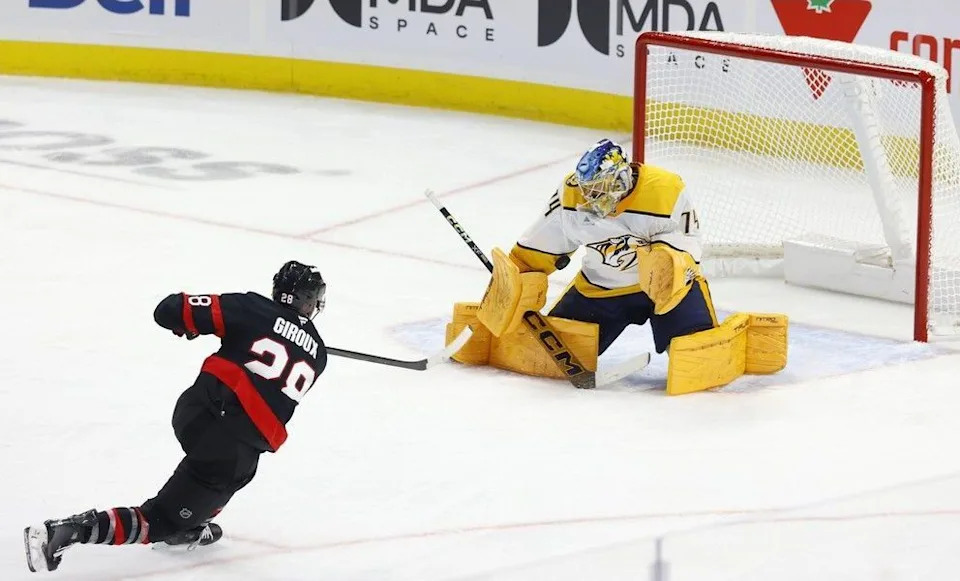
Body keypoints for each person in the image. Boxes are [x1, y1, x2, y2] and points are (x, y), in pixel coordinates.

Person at [24, 260, 328, 573]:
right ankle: (66, 530)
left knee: (235, 474)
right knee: (162, 517)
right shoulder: (318, 353)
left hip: (194, 412)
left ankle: (190, 521)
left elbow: (168, 310)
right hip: (227, 448)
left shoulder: (250, 309)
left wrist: (189, 323)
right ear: (309, 300)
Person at [509, 138, 717, 357]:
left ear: (622, 179)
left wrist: (665, 266)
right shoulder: (571, 194)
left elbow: (687, 243)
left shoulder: (666, 190)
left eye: (599, 188)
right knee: (550, 354)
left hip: (668, 290)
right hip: (601, 289)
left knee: (695, 355)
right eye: (588, 189)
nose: (590, 197)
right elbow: (541, 244)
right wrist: (515, 277)